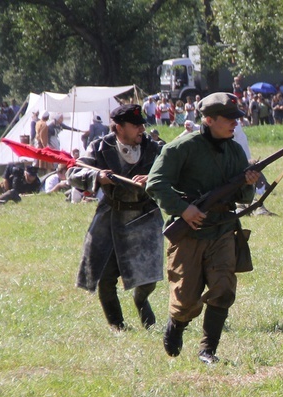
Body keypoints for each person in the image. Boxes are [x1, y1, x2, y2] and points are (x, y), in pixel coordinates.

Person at [146, 92, 260, 364]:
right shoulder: (181, 148)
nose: (235, 124)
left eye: (236, 118)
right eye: (229, 119)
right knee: (185, 299)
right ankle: (177, 323)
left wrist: (249, 182)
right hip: (190, 230)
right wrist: (184, 209)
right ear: (208, 120)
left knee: (223, 289)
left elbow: (243, 198)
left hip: (222, 229)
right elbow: (155, 183)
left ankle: (208, 350)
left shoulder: (234, 150)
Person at [67, 104, 164, 332]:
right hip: (111, 218)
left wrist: (153, 178)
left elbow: (174, 170)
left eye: (142, 124)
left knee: (148, 279)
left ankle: (141, 300)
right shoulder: (100, 147)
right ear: (119, 127)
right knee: (105, 277)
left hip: (145, 217)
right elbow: (74, 173)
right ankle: (117, 325)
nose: (142, 129)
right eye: (135, 125)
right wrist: (97, 176)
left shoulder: (155, 148)